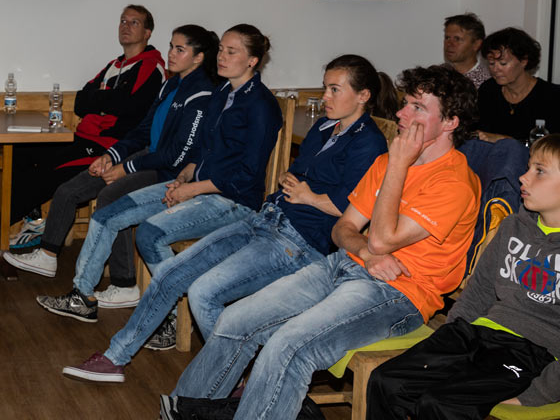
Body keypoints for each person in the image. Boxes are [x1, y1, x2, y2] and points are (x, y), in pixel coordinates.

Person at [167, 65, 481, 420]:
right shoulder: (385, 162)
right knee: (235, 321)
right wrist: (364, 251)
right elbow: (343, 228)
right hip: (344, 263)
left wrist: (398, 166)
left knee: (288, 347)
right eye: (405, 103)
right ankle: (183, 412)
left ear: (451, 122)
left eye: (417, 108)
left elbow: (381, 238)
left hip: (398, 292)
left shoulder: (453, 182)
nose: (401, 114)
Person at [57, 55, 390, 383]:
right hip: (268, 219)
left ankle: (231, 378)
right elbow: (300, 173)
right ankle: (116, 358)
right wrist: (292, 181)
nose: (325, 97)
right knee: (173, 271)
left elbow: (351, 210)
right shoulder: (325, 127)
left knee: (203, 292)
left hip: (299, 242)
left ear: (363, 95)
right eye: (325, 88)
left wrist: (308, 196)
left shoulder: (369, 142)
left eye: (335, 90)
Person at [36, 24, 282, 332]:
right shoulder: (222, 93)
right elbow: (201, 151)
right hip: (198, 187)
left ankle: (173, 317)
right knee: (108, 213)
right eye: (221, 50)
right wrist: (184, 177)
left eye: (231, 52)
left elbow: (246, 174)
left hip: (232, 200)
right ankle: (81, 296)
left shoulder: (260, 105)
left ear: (252, 61)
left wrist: (192, 189)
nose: (222, 57)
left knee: (149, 234)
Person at [0, 5, 166, 258]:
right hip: (81, 137)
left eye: (134, 22)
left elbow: (130, 107)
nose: (126, 26)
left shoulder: (151, 66)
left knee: (47, 177)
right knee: (21, 149)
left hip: (109, 147)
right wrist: (106, 100)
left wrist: (100, 100)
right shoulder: (114, 65)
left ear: (147, 32)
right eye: (123, 21)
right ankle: (34, 221)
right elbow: (81, 101)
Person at [1, 26, 219, 299]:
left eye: (179, 49)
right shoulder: (172, 84)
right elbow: (143, 130)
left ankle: (124, 283)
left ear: (198, 58)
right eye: (171, 46)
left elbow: (176, 156)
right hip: (148, 157)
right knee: (71, 188)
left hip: (170, 171)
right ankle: (47, 254)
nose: (171, 54)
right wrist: (111, 156)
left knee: (112, 196)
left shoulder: (202, 94)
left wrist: (126, 168)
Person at [366, 133, 560, 420]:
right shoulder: (513, 227)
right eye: (529, 166)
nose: (523, 177)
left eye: (539, 171)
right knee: (387, 381)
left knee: (440, 405)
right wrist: (451, 336)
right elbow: (479, 290)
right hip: (476, 333)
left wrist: (537, 393)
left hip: (530, 351)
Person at [477, 27, 560, 142]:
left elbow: (552, 147)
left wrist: (506, 140)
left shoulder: (552, 96)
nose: (495, 69)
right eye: (491, 63)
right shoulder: (488, 90)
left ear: (524, 61)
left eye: (503, 63)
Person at [444, 12, 490, 88]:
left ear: (477, 44)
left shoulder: (486, 82)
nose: (449, 43)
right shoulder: (439, 74)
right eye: (447, 38)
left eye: (457, 39)